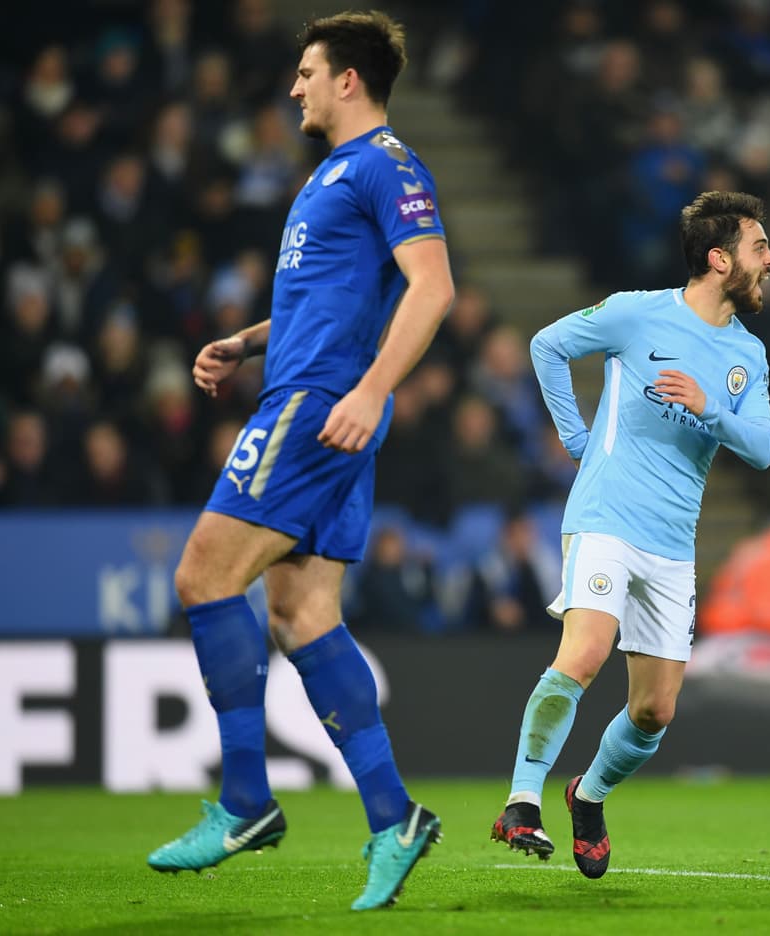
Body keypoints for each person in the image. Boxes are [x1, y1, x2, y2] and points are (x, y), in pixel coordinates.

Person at [145, 11, 455, 913]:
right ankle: (393, 818)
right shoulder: (337, 175)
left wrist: (368, 392)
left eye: (308, 73)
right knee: (303, 611)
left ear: (348, 81)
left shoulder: (387, 166)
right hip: (314, 395)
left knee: (203, 578)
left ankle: (246, 802)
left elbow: (433, 287)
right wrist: (246, 342)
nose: (296, 88)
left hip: (320, 409)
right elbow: (330, 305)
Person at [491, 191, 770, 877]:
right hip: (606, 518)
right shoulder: (634, 313)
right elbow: (547, 345)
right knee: (585, 653)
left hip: (673, 544)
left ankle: (587, 797)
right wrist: (576, 438)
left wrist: (711, 409)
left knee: (654, 711)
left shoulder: (746, 355)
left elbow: (763, 448)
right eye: (758, 247)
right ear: (719, 260)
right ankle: (522, 800)